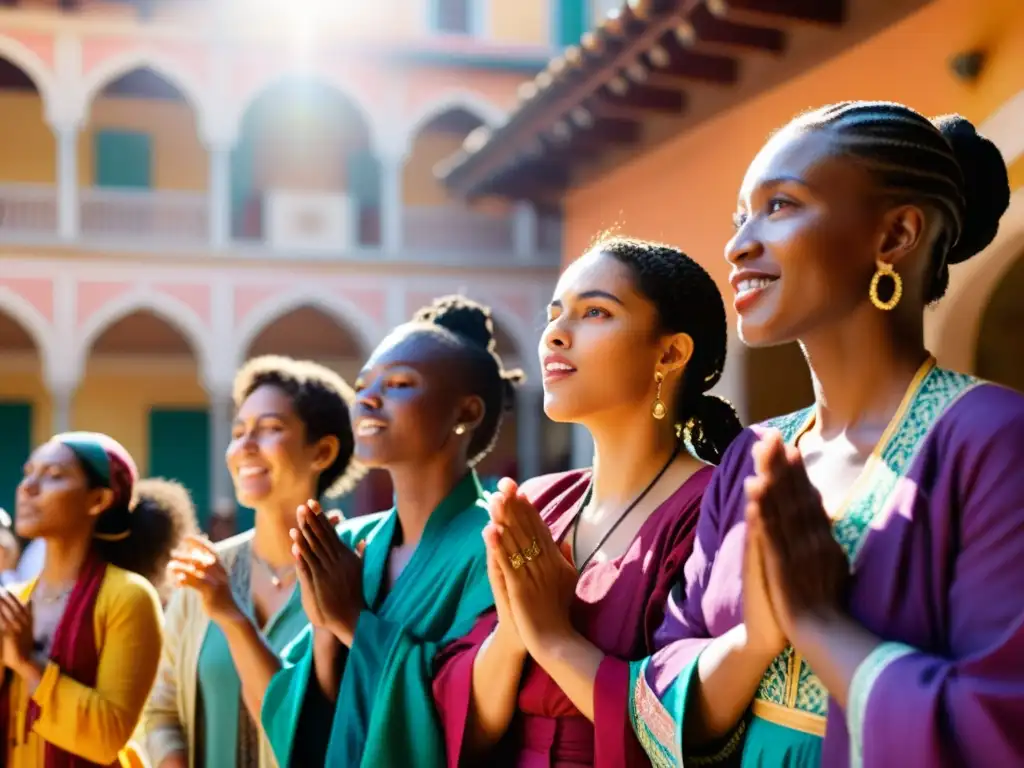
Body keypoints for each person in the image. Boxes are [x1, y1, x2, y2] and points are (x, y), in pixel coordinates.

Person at [629, 101, 1021, 767]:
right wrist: (754, 641)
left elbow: (999, 726)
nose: (738, 244)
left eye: (780, 206)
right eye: (740, 217)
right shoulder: (751, 457)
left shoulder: (992, 441)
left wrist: (816, 621)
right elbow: (663, 676)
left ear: (895, 234)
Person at [432, 237, 744, 766]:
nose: (554, 334)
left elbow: (691, 719)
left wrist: (552, 637)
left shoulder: (712, 507)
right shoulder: (539, 502)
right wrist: (515, 629)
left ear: (670, 353)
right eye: (555, 315)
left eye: (594, 312)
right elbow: (467, 726)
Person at [260, 296, 523, 767]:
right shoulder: (350, 544)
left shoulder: (494, 545)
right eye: (362, 386)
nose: (367, 398)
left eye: (399, 383)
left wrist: (352, 622)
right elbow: (301, 721)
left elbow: (469, 712)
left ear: (466, 413)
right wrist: (323, 628)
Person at [140, 355, 364, 768]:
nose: (244, 447)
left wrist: (229, 615)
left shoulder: (356, 569)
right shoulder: (206, 571)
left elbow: (347, 719)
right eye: (239, 431)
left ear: (323, 451)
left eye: (271, 429)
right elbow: (160, 709)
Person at [1, 431, 195, 766]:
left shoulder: (128, 598)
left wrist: (27, 664)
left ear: (98, 500)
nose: (27, 487)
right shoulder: (15, 599)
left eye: (54, 476)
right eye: (28, 472)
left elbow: (107, 738)